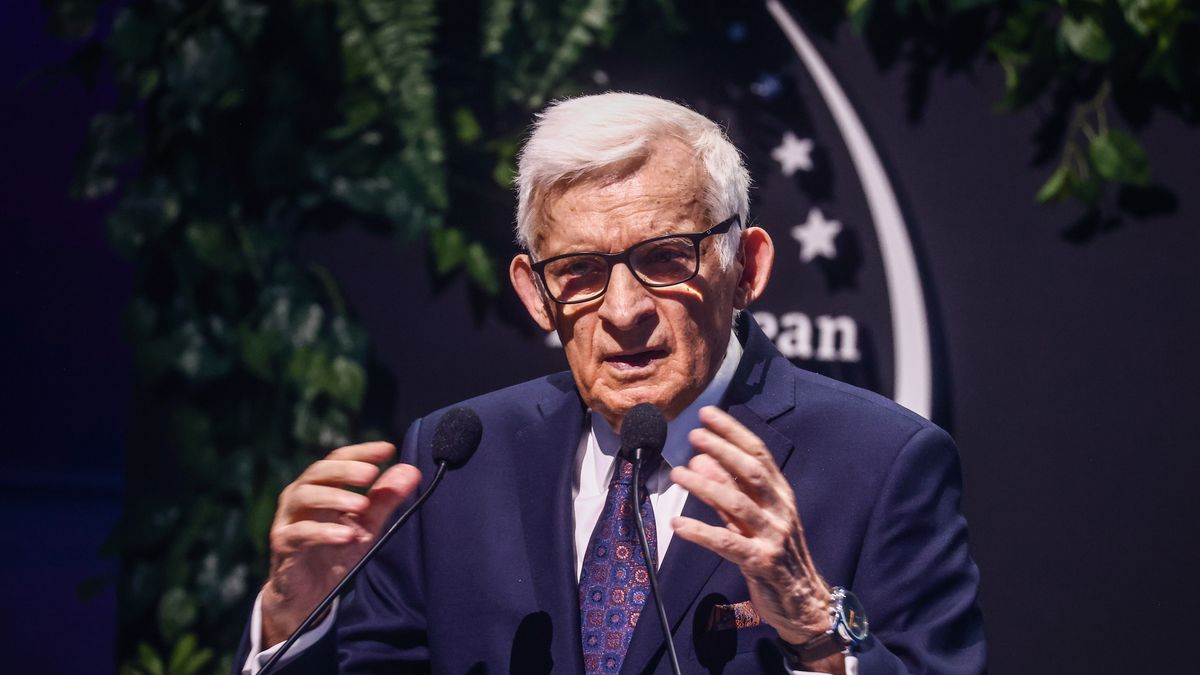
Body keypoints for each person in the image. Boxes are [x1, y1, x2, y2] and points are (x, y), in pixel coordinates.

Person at [236, 93, 986, 674]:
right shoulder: (455, 458)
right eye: (581, 272)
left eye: (666, 258)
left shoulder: (881, 463)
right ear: (536, 294)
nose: (624, 312)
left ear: (747, 267)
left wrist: (816, 629)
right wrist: (291, 622)